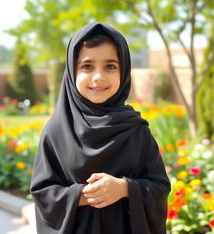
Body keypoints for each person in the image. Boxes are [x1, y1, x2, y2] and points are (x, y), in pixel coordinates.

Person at [30, 22, 171, 234]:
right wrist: (84, 195)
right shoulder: (57, 131)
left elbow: (159, 187)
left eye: (110, 66)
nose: (99, 77)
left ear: (123, 72)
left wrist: (125, 188)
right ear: (71, 70)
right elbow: (43, 192)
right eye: (87, 66)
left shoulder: (136, 130)